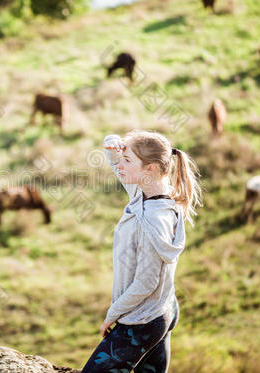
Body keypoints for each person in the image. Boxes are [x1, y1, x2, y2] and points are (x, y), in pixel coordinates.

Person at [81, 130, 202, 373]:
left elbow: (146, 282)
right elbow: (120, 168)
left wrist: (113, 314)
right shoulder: (149, 193)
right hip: (163, 308)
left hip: (141, 322)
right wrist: (113, 149)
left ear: (151, 168)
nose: (120, 166)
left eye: (128, 161)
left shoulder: (154, 220)